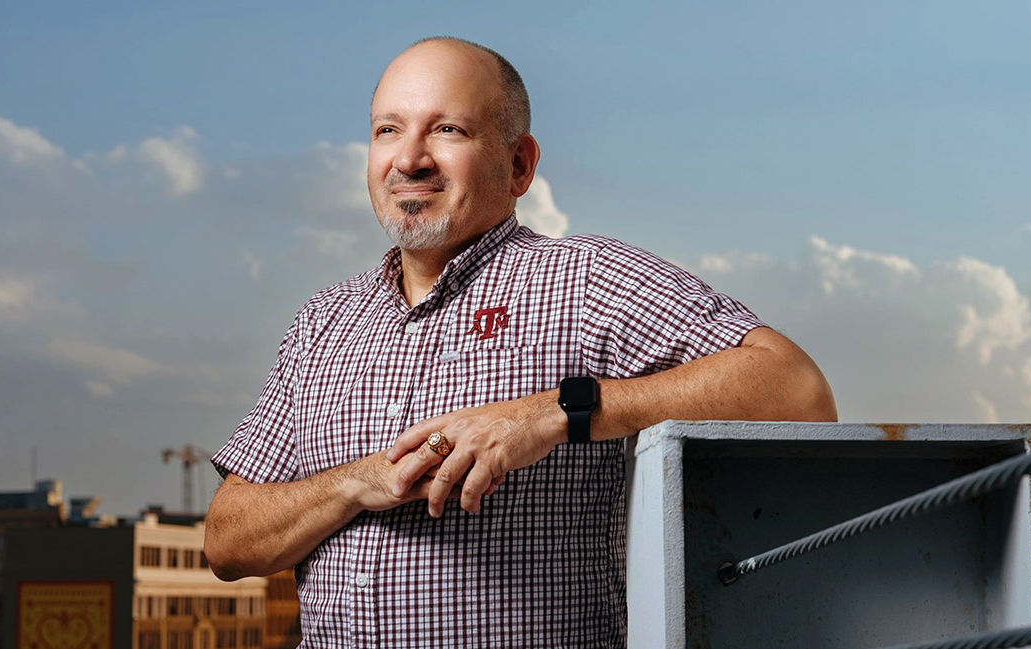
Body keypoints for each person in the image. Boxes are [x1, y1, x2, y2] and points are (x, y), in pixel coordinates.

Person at [205, 36, 836, 647]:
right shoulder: (325, 321)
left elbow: (798, 390)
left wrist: (551, 414)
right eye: (387, 130)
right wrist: (356, 483)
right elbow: (227, 542)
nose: (409, 159)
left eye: (447, 129)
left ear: (519, 164)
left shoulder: (589, 283)